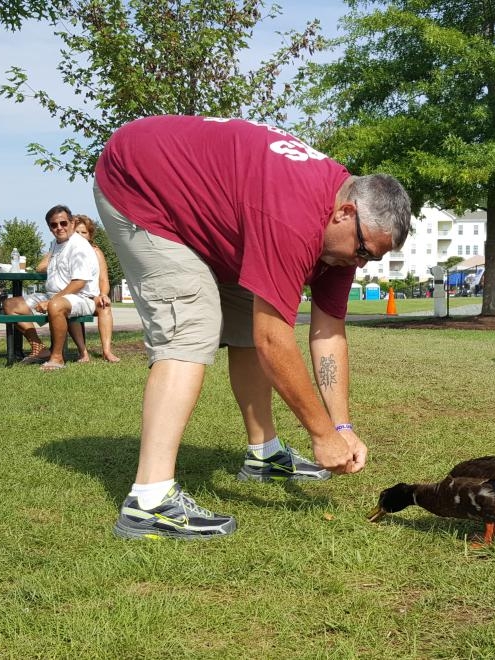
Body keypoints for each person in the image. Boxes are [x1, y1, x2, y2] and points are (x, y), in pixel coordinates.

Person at [93, 116, 411, 541]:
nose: (361, 264)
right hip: (138, 182)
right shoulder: (294, 216)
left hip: (206, 212)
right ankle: (149, 501)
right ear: (345, 212)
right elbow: (273, 340)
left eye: (370, 259)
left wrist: (341, 427)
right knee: (192, 322)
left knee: (245, 312)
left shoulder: (342, 237)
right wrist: (320, 436)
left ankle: (264, 455)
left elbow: (329, 332)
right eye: (362, 252)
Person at [4, 205, 100, 372]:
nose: (59, 228)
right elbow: (42, 267)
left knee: (56, 305)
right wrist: (50, 298)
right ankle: (39, 348)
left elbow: (79, 282)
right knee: (10, 305)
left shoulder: (79, 246)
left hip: (82, 297)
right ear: (49, 227)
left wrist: (50, 301)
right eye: (54, 225)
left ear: (72, 222)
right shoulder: (55, 244)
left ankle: (57, 358)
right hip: (55, 295)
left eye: (63, 223)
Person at [67, 214, 121, 363]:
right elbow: (42, 266)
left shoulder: (96, 252)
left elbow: (104, 278)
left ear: (90, 235)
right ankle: (83, 352)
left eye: (83, 232)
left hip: (92, 297)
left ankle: (107, 351)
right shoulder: (64, 250)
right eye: (76, 232)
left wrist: (104, 294)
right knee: (71, 307)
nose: (79, 236)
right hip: (73, 296)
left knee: (105, 306)